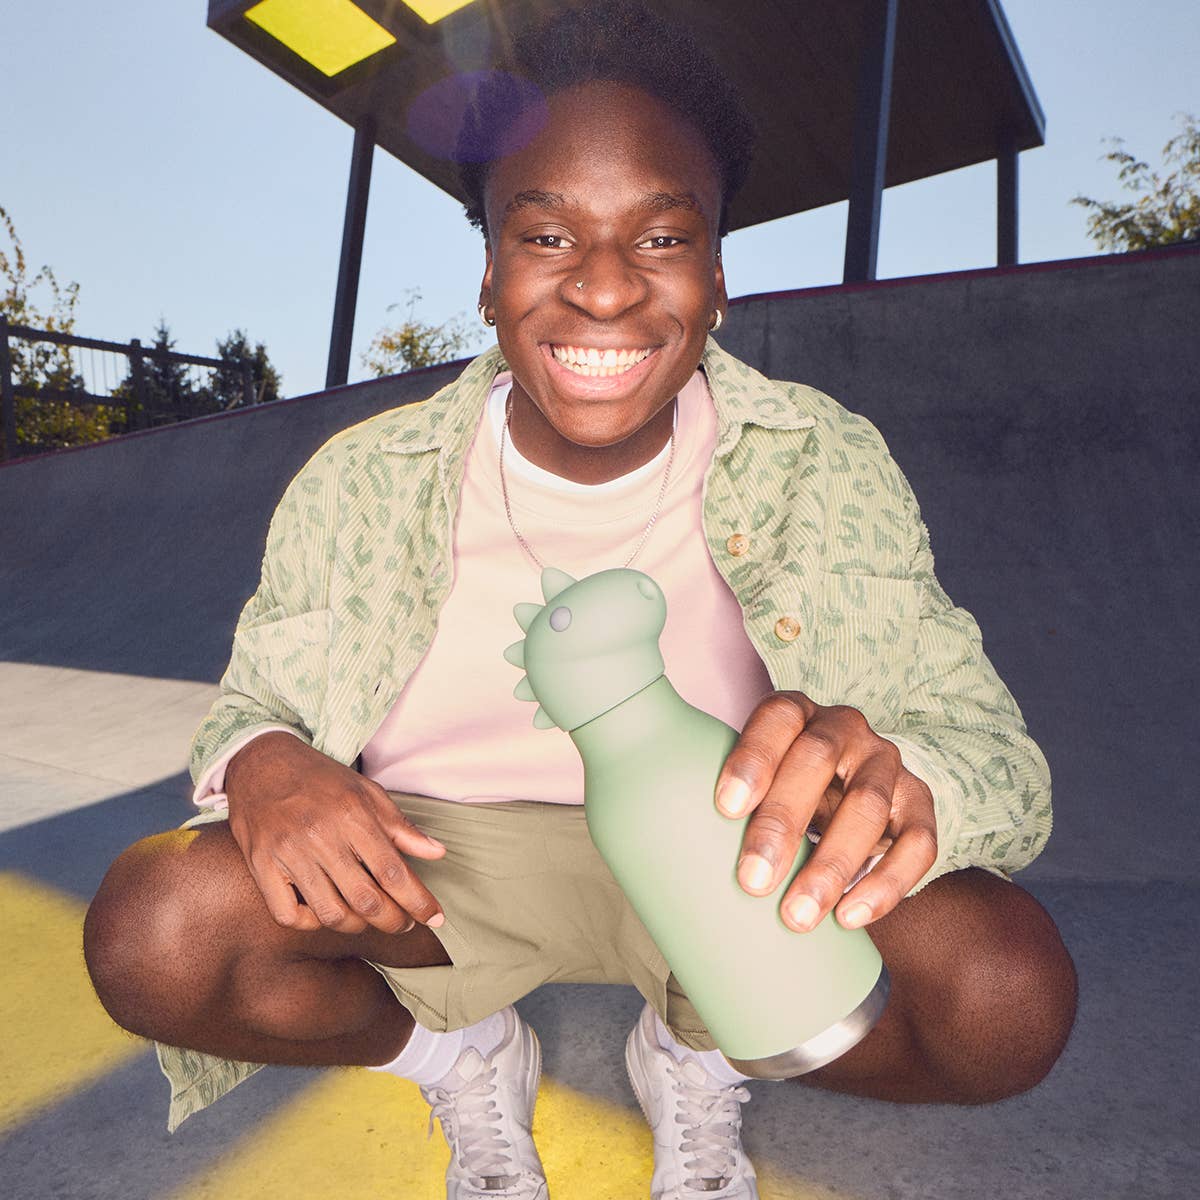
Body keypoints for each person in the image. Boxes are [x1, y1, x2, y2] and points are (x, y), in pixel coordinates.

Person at [83, 5, 1077, 1198]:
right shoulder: (365, 476)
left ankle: (698, 1050)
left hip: (722, 857)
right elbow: (257, 703)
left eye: (659, 240)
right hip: (440, 863)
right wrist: (260, 757)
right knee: (159, 929)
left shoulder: (822, 457)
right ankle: (457, 1055)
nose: (603, 291)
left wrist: (913, 780)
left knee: (1005, 998)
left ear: (715, 278)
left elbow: (998, 760)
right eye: (547, 236)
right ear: (492, 276)